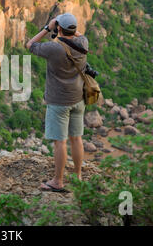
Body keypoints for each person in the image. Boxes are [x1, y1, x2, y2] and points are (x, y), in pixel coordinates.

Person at [25, 13, 88, 192]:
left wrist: (48, 28)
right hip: (78, 98)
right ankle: (77, 177)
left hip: (58, 101)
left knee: (60, 142)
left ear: (58, 28)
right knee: (76, 138)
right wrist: (67, 30)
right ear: (74, 29)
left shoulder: (53, 48)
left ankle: (58, 181)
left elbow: (29, 44)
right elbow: (79, 35)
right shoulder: (83, 42)